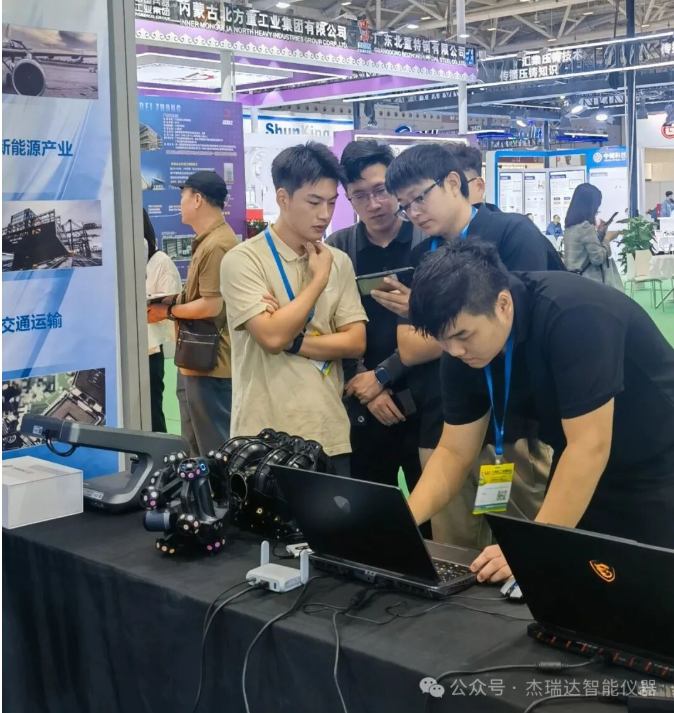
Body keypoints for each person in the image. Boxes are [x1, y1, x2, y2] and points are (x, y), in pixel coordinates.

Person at [407, 239, 674, 582]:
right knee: (578, 586)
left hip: (659, 463)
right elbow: (454, 451)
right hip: (580, 466)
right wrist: (402, 522)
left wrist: (529, 547)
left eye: (463, 335)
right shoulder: (460, 349)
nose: (455, 351)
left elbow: (589, 447)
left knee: (654, 590)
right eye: (442, 340)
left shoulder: (573, 315)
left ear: (503, 304)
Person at [371, 143, 561, 550]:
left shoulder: (512, 233)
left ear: (453, 182)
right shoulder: (424, 255)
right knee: (452, 550)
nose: (414, 213)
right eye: (405, 207)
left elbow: (517, 328)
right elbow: (409, 347)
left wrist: (433, 318)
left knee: (525, 553)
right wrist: (458, 327)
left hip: (513, 427)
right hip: (445, 424)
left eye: (419, 198)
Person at [220, 142, 367, 476]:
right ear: (282, 198)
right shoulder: (244, 260)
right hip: (261, 440)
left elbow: (355, 341)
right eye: (314, 202)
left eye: (332, 202)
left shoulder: (338, 261)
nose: (325, 214)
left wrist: (293, 338)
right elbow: (271, 338)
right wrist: (318, 281)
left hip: (329, 435)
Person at [325, 140, 424, 491]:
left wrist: (384, 375)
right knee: (370, 507)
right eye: (360, 196)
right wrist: (365, 382)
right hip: (362, 402)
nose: (374, 204)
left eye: (381, 190)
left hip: (425, 397)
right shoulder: (337, 250)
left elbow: (444, 325)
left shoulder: (428, 243)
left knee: (433, 510)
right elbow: (327, 325)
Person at [147, 170, 236, 455]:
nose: (180, 203)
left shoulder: (218, 245)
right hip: (196, 358)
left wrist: (167, 311)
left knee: (214, 447)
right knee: (195, 443)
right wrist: (167, 301)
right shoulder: (207, 241)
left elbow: (211, 305)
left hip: (211, 361)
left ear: (197, 199)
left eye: (182, 196)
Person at [144, 209, 181, 433]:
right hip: (120, 352)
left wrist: (156, 308)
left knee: (151, 413)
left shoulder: (160, 262)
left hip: (149, 351)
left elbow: (172, 303)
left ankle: (160, 453)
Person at [563, 183, 622, 290]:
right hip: (589, 282)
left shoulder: (570, 226)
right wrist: (607, 239)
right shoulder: (586, 227)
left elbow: (584, 248)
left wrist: (600, 232)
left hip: (573, 280)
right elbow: (597, 258)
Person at [444, 144, 498, 212]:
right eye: (444, 188)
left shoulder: (504, 219)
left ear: (479, 186)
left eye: (458, 185)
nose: (452, 193)